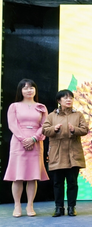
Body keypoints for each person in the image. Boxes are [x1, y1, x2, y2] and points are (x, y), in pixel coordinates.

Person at [5, 79, 49, 217]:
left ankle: (30, 205)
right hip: (19, 142)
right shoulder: (14, 106)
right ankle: (17, 205)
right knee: (17, 176)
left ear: (35, 90)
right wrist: (23, 139)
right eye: (25, 88)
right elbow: (12, 125)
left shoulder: (41, 107)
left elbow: (45, 125)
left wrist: (34, 138)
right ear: (20, 91)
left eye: (31, 88)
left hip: (36, 141)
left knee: (32, 176)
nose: (29, 90)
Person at [42, 89, 88, 217]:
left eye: (71, 98)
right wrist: (54, 129)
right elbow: (44, 130)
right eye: (65, 98)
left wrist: (74, 130)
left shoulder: (78, 115)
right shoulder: (52, 116)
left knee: (72, 182)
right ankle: (59, 207)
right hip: (57, 153)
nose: (69, 100)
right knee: (58, 183)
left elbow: (85, 129)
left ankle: (71, 207)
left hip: (73, 152)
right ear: (59, 100)